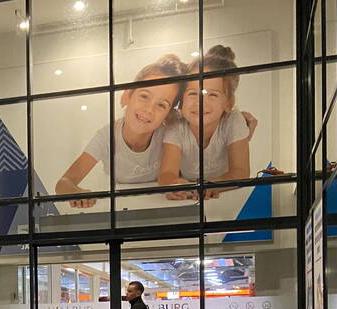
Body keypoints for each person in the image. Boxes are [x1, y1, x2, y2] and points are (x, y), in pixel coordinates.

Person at [55, 55, 188, 207]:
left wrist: (174, 186)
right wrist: (76, 192)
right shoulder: (106, 136)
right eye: (144, 96)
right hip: (120, 206)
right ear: (127, 96)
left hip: (157, 207)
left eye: (161, 105)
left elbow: (169, 178)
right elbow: (63, 183)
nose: (149, 110)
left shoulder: (169, 133)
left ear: (168, 115)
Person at [159, 45, 252, 200]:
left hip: (224, 197)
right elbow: (167, 173)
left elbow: (240, 171)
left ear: (228, 103)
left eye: (212, 95)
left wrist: (212, 185)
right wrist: (173, 184)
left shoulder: (233, 120)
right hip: (189, 197)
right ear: (180, 102)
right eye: (193, 93)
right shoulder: (176, 126)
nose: (200, 102)